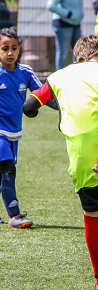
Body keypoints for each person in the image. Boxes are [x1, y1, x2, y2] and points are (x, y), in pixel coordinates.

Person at [23, 35, 98, 290]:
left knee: (92, 216)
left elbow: (29, 106)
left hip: (82, 155)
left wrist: (45, 106)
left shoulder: (58, 76)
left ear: (77, 57)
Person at [0, 27, 43, 228]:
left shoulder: (25, 72)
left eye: (14, 48)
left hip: (14, 132)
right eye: (4, 48)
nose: (10, 52)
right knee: (8, 169)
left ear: (19, 50)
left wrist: (63, 107)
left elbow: (42, 94)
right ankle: (14, 215)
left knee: (2, 172)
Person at [47, 0, 84, 70]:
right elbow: (51, 5)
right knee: (63, 53)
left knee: (79, 53)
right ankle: (59, 78)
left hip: (77, 24)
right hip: (63, 24)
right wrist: (68, 14)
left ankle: (77, 76)